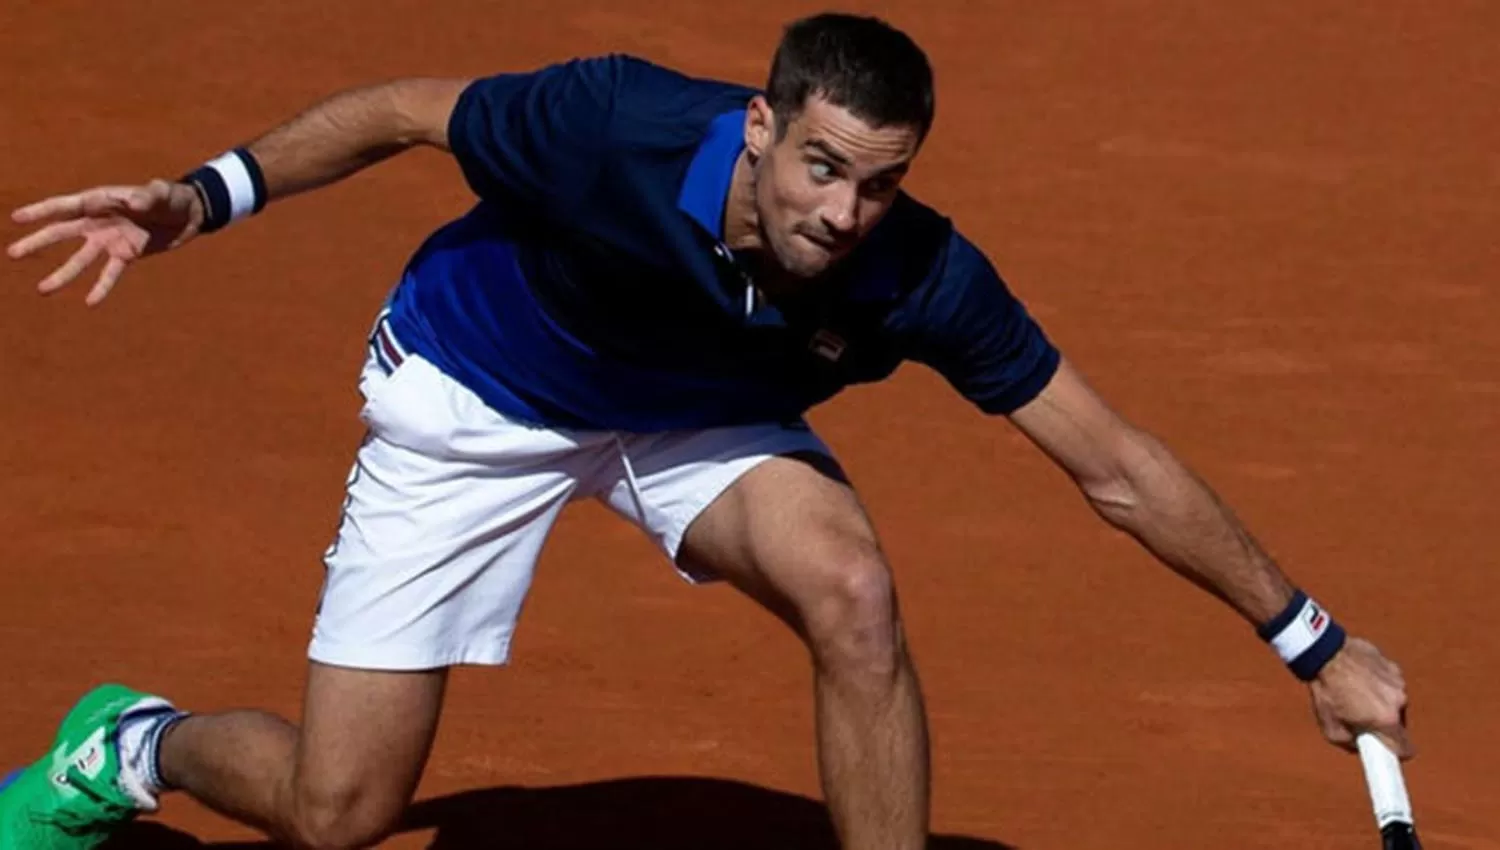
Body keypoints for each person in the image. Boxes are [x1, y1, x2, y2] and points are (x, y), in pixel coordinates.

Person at [1, 11, 1411, 850]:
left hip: (688, 410)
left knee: (852, 587)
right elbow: (401, 112)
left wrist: (1315, 639)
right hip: (481, 390)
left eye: (880, 182)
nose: (842, 215)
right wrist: (203, 195)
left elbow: (1110, 462)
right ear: (759, 126)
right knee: (338, 811)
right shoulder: (605, 124)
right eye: (820, 167)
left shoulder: (919, 271)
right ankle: (130, 744)